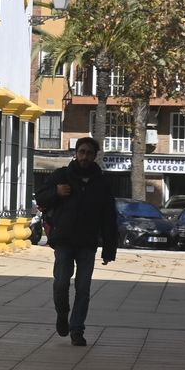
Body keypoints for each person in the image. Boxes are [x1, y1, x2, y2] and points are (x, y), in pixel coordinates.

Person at [36, 137, 117, 346]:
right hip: (63, 239)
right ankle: (62, 314)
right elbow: (41, 198)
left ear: (95, 156)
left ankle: (77, 329)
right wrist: (57, 192)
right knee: (61, 282)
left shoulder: (102, 183)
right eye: (81, 152)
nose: (85, 156)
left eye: (89, 153)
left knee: (83, 288)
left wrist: (109, 249)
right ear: (75, 153)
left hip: (88, 243)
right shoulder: (61, 175)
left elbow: (109, 217)